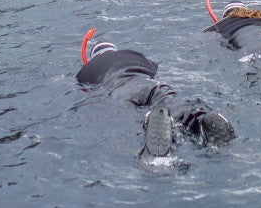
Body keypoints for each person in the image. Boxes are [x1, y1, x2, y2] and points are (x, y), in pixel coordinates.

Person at [76, 29, 234, 159]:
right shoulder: (133, 55)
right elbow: (154, 70)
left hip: (121, 90)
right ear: (115, 50)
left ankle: (151, 125)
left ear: (93, 58)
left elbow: (86, 88)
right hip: (150, 84)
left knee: (136, 116)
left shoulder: (88, 70)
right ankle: (199, 119)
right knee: (176, 107)